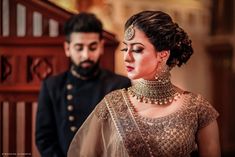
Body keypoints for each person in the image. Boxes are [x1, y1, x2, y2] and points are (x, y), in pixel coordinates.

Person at [68, 10, 221, 157]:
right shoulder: (112, 104)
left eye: (137, 49)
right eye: (125, 48)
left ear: (163, 55)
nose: (126, 57)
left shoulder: (197, 109)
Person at [35, 12, 131, 157]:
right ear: (68, 49)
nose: (86, 55)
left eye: (92, 47)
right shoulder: (52, 86)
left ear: (101, 46)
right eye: (79, 48)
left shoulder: (120, 84)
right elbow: (44, 139)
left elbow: (124, 138)